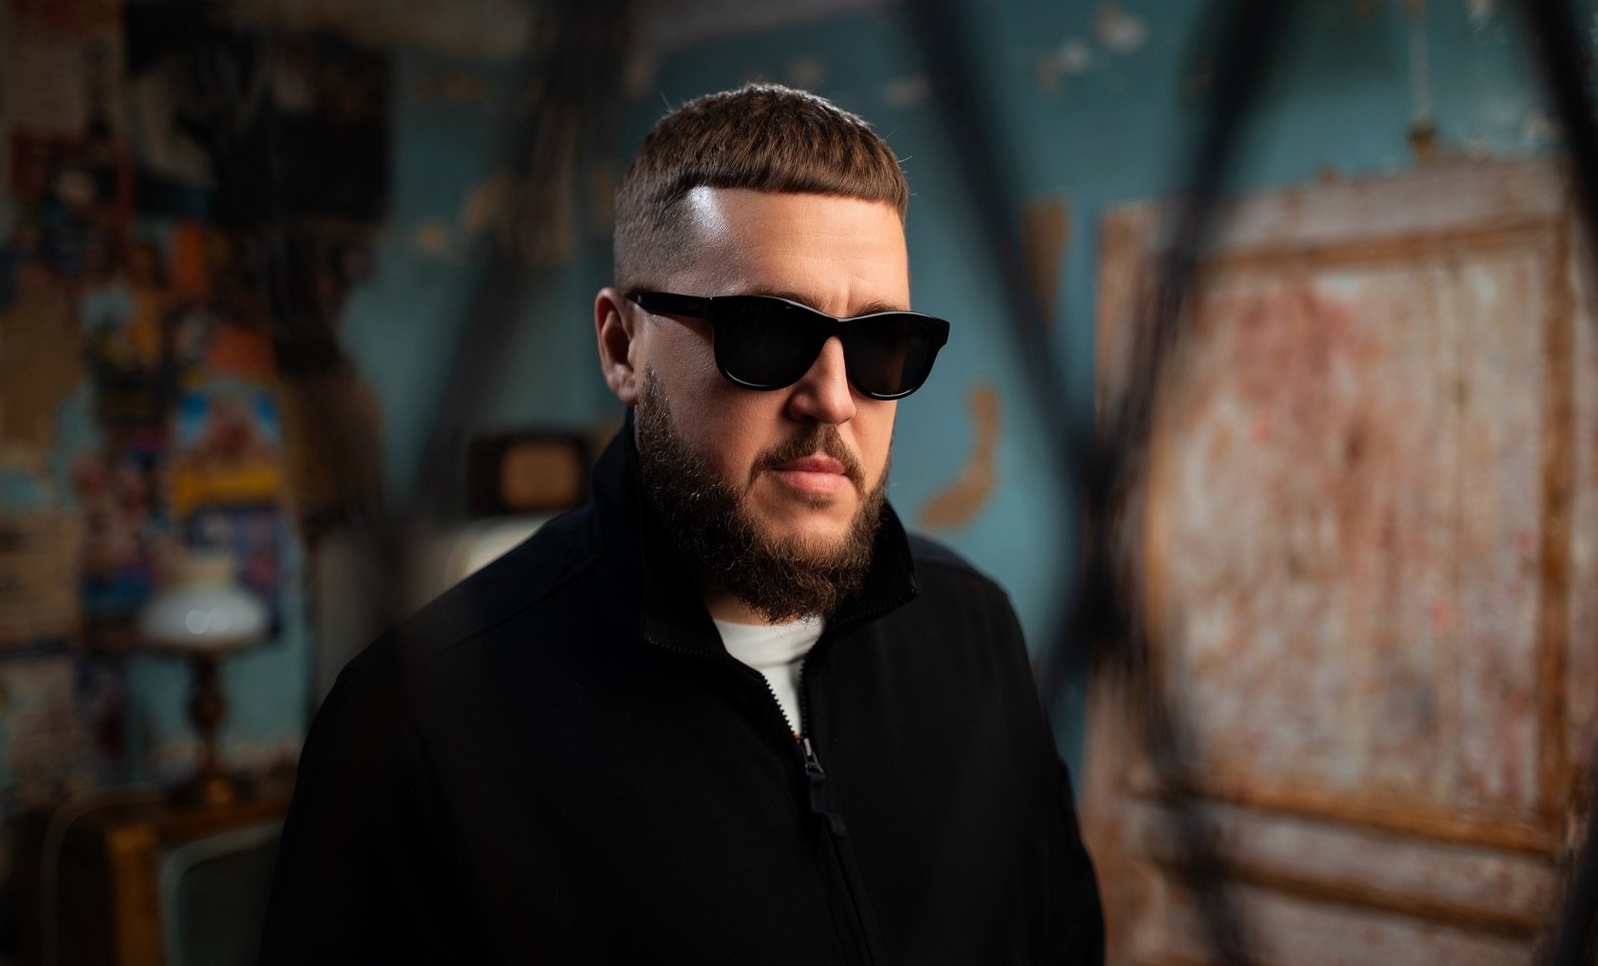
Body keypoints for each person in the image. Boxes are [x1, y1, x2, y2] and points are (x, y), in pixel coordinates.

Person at [260, 84, 1104, 965]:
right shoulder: (415, 727)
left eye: (878, 343)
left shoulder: (974, 631)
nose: (832, 399)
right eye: (765, 332)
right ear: (622, 347)